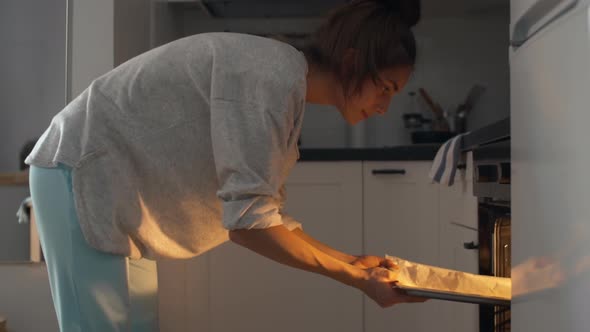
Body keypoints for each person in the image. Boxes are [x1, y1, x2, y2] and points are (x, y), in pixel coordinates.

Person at [26, 0, 424, 331]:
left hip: (118, 193)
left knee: (137, 325)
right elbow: (249, 226)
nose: (385, 106)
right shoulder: (270, 79)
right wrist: (356, 278)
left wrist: (353, 263)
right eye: (384, 88)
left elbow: (265, 216)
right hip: (80, 173)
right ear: (352, 63)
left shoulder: (283, 83)